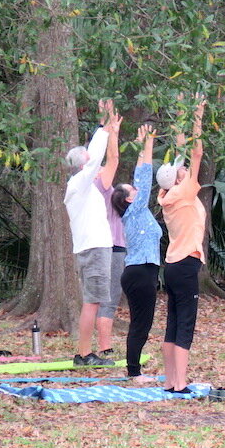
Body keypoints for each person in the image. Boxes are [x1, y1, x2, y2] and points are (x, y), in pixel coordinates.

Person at [156, 96, 206, 394]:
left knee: (173, 323)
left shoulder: (169, 196)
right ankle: (180, 384)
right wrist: (197, 115)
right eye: (181, 171)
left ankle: (171, 382)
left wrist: (179, 117)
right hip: (186, 264)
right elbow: (196, 154)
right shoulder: (185, 191)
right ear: (177, 180)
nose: (185, 168)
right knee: (184, 324)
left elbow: (182, 157)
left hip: (173, 265)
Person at [63, 100, 119, 366]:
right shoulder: (80, 182)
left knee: (93, 301)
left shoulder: (81, 187)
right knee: (92, 302)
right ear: (82, 163)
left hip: (93, 247)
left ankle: (85, 352)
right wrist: (103, 125)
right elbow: (96, 156)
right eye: (86, 155)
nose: (90, 156)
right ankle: (84, 354)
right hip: (94, 248)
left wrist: (106, 127)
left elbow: (100, 159)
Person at [111, 124, 163, 382]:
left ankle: (134, 371)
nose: (137, 189)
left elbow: (141, 179)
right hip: (140, 272)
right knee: (140, 325)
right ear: (129, 199)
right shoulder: (135, 210)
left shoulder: (138, 212)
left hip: (142, 272)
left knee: (141, 323)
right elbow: (144, 176)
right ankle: (134, 373)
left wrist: (144, 145)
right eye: (132, 190)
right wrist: (148, 143)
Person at [93, 100, 125, 358]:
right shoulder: (99, 183)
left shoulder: (84, 183)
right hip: (112, 247)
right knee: (109, 299)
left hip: (103, 246)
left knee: (100, 298)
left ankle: (100, 346)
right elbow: (112, 158)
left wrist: (104, 123)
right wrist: (112, 130)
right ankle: (105, 347)